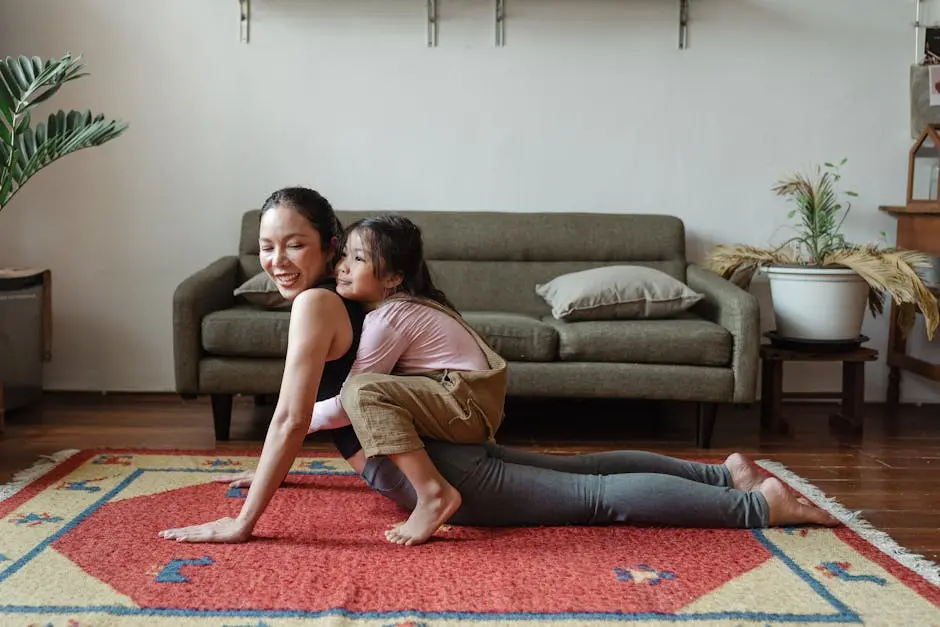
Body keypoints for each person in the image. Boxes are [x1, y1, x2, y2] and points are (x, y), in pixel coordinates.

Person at [159, 186, 369, 544]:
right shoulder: (343, 292)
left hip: (425, 480)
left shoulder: (317, 303)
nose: (278, 261)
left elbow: (292, 418)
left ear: (330, 246)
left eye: (295, 245)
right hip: (432, 467)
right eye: (268, 247)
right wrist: (267, 471)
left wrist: (242, 522)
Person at [307, 214, 509, 546]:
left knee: (362, 391)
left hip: (464, 406)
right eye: (343, 255)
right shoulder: (399, 309)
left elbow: (348, 406)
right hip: (465, 404)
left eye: (358, 258)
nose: (342, 266)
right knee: (365, 391)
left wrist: (288, 426)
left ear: (394, 277)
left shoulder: (388, 318)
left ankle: (433, 493)